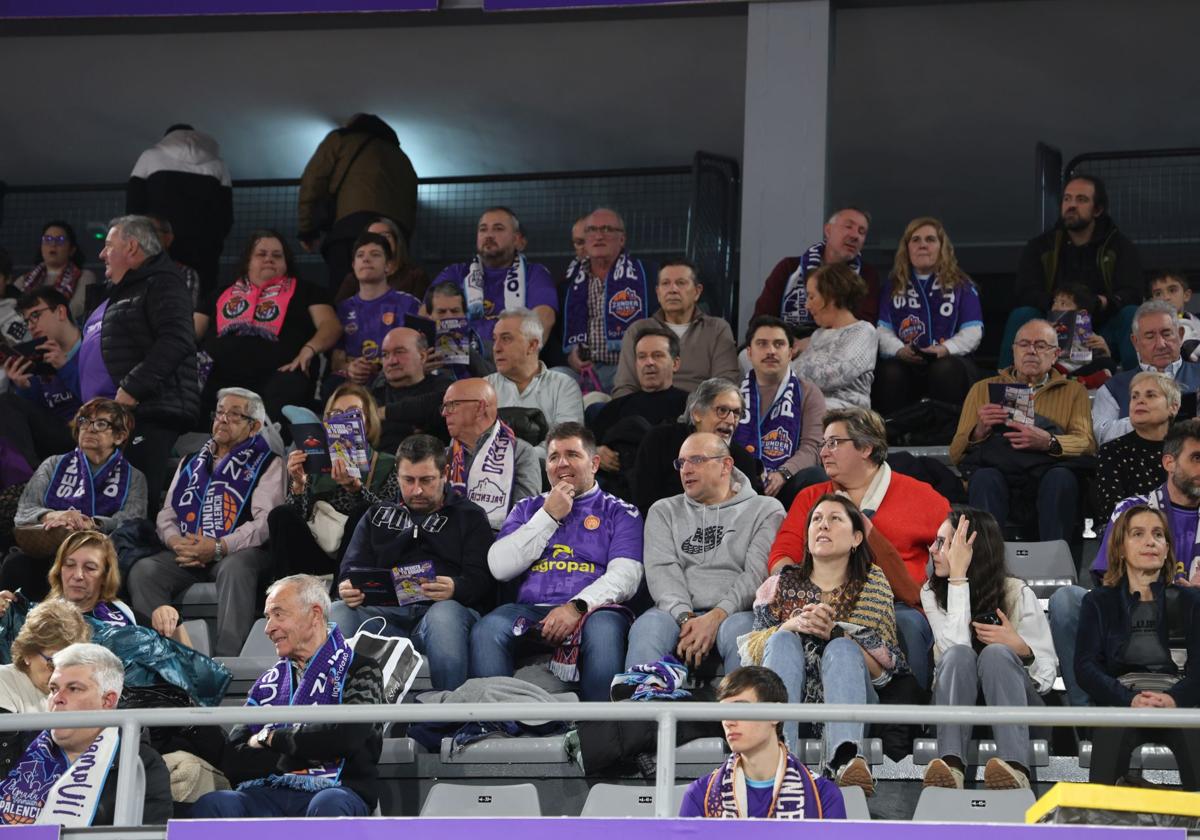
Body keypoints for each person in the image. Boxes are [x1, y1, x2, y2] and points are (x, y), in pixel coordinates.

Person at [770, 407, 947, 689]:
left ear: (866, 447)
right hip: (819, 601)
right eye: (823, 444)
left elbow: (953, 554)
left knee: (909, 626)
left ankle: (907, 716)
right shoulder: (810, 497)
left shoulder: (923, 497)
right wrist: (798, 597)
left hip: (896, 606)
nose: (824, 452)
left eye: (834, 443)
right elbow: (783, 555)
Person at [470, 422, 644, 701]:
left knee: (604, 632)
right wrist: (548, 516)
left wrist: (576, 607)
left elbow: (626, 575)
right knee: (487, 630)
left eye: (573, 455)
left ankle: (599, 733)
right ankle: (494, 729)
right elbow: (499, 567)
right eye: (553, 457)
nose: (562, 463)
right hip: (530, 611)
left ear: (595, 463)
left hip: (593, 612)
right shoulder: (527, 509)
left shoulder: (620, 511)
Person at [743, 496, 904, 795]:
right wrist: (793, 625)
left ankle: (846, 760)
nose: (823, 525)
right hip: (792, 698)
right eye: (816, 519)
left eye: (835, 519)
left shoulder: (872, 582)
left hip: (854, 702)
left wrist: (836, 634)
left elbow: (884, 675)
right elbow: (751, 657)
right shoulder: (779, 584)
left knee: (842, 648)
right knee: (780, 639)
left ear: (856, 537)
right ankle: (778, 758)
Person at [191, 575, 385, 818]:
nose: (268, 628)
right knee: (215, 804)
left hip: (337, 789)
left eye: (278, 614)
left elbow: (346, 739)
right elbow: (233, 760)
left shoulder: (361, 669)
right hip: (267, 792)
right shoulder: (267, 683)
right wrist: (307, 752)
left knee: (329, 805)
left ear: (314, 614)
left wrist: (269, 738)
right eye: (267, 617)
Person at [1052, 418, 1200, 709]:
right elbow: (1109, 580)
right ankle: (1088, 716)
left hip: (1189, 615)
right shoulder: (1133, 508)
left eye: (1158, 535)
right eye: (1196, 458)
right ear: (1169, 462)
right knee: (1067, 600)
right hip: (1129, 610)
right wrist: (1165, 590)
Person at [128, 388, 283, 656]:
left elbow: (265, 523)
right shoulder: (191, 461)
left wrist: (219, 546)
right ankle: (165, 655)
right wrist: (176, 542)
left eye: (234, 415)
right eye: (220, 412)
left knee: (236, 568)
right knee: (144, 571)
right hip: (188, 552)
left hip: (239, 552)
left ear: (254, 426)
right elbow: (168, 513)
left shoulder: (269, 463)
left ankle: (227, 659)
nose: (223, 419)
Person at [331, 435, 493, 691]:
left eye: (426, 480)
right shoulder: (376, 515)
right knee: (339, 610)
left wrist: (456, 587)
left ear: (445, 474)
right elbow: (349, 571)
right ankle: (336, 716)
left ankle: (449, 717)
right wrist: (347, 587)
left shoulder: (470, 516)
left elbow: (483, 579)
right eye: (408, 480)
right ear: (397, 475)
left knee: (444, 615)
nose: (416, 490)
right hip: (385, 614)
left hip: (441, 612)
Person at [920, 507, 1056, 791]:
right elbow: (953, 651)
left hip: (1017, 715)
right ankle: (951, 768)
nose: (932, 549)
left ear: (972, 549)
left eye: (943, 543)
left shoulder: (1016, 592)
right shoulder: (932, 593)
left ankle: (1016, 770)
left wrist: (1021, 650)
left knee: (996, 653)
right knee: (959, 655)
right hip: (954, 714)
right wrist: (958, 579)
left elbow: (1045, 680)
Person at [626, 432, 784, 673]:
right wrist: (686, 618)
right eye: (681, 463)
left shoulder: (765, 509)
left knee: (741, 633)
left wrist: (717, 616)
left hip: (737, 611)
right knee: (647, 628)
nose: (686, 470)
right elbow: (663, 573)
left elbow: (756, 575)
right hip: (677, 612)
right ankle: (642, 707)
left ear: (726, 465)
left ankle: (740, 710)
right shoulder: (664, 511)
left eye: (697, 460)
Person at [1076, 506, 1200, 788]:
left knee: (1196, 731)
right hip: (1123, 700)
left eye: (1158, 535)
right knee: (1111, 732)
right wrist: (1128, 699)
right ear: (1120, 548)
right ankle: (1103, 823)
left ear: (1167, 548)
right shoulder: (1098, 601)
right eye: (1138, 534)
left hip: (1177, 700)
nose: (1150, 542)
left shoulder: (1191, 602)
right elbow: (1085, 667)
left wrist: (1173, 699)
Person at [950, 319, 1095, 541]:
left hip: (1047, 473)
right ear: (1014, 350)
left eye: (1040, 345)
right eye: (1024, 344)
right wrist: (979, 431)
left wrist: (1049, 441)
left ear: (1055, 354)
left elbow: (1087, 444)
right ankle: (986, 565)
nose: (1031, 351)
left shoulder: (1074, 391)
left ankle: (1054, 566)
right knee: (984, 478)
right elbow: (956, 453)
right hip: (1001, 473)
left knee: (1061, 478)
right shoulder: (982, 388)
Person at [93, 215, 201, 511]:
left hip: (154, 411)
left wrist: (132, 389)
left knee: (138, 501)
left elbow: (178, 340)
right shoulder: (132, 286)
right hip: (133, 411)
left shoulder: (163, 283)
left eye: (108, 246)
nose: (102, 254)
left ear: (131, 247)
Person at [0, 642, 171, 826]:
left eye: (74, 689)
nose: (57, 698)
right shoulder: (15, 744)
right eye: (53, 689)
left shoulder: (141, 764)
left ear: (107, 701)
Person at [195, 229, 341, 429]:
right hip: (219, 374)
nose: (269, 259)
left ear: (286, 262)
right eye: (261, 254)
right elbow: (189, 331)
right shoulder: (220, 293)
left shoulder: (308, 291)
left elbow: (330, 326)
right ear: (247, 261)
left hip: (280, 373)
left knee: (289, 385)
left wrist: (310, 349)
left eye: (277, 255)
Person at [4, 399, 147, 600]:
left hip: (100, 551)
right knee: (16, 564)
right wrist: (54, 515)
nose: (89, 429)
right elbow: (24, 512)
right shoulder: (53, 464)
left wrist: (93, 523)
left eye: (100, 424)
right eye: (84, 421)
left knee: (117, 568)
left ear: (119, 436)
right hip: (51, 547)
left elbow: (133, 520)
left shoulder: (135, 477)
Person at [1004, 174, 1142, 369]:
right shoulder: (1042, 246)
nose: (1071, 205)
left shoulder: (1119, 246)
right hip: (1051, 326)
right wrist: (1057, 306)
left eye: (1081, 199)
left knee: (1132, 314)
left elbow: (1132, 293)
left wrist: (1101, 303)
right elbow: (1025, 291)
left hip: (1102, 327)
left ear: (1098, 209)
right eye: (1067, 199)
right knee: (1022, 314)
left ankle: (1135, 383)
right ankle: (1006, 383)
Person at [678, 666, 846, 819]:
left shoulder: (824, 795)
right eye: (723, 711)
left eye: (740, 708)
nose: (728, 721)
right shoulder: (699, 795)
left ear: (775, 713)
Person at [269, 384, 398, 578]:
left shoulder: (389, 464)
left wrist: (356, 489)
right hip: (318, 547)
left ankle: (342, 589)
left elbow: (388, 522)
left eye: (353, 413)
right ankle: (285, 592)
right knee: (281, 514)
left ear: (368, 422)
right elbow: (298, 518)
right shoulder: (315, 459)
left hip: (359, 554)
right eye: (336, 414)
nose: (344, 420)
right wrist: (298, 484)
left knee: (362, 512)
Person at [873, 217, 982, 417]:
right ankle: (897, 435)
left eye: (930, 239)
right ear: (907, 248)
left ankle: (947, 434)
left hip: (951, 361)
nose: (922, 244)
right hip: (906, 362)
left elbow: (973, 331)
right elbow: (882, 330)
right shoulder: (892, 286)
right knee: (890, 372)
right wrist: (899, 350)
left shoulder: (962, 285)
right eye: (915, 240)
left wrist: (943, 349)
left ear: (942, 248)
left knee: (944, 369)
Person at [298, 113, 418, 288]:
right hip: (395, 236)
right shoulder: (403, 159)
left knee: (344, 296)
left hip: (350, 229)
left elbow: (313, 181)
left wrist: (307, 229)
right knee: (392, 296)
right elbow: (411, 206)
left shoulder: (342, 139)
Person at [126, 124, 233, 296]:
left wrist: (140, 239)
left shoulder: (150, 157)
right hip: (203, 249)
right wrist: (213, 241)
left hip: (157, 244)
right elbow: (225, 217)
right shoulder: (218, 165)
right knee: (201, 298)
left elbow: (133, 208)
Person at [633, 378, 765, 516]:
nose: (731, 420)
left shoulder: (743, 459)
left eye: (736, 413)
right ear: (697, 413)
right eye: (722, 410)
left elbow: (751, 514)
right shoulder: (660, 441)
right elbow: (645, 505)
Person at [432, 207, 557, 352]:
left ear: (517, 240)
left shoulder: (535, 274)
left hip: (512, 359)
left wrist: (517, 356)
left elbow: (544, 318)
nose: (489, 235)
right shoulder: (456, 273)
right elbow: (426, 314)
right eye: (483, 229)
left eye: (498, 229)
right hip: (459, 357)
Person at [610, 259, 740, 398]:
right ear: (658, 293)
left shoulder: (716, 329)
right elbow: (625, 387)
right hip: (647, 411)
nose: (673, 290)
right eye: (666, 283)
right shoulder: (638, 330)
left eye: (681, 283)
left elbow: (726, 385)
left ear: (697, 291)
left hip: (698, 411)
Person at [733, 316, 826, 504]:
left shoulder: (808, 392)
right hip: (737, 482)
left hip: (785, 483)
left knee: (815, 477)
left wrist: (784, 473)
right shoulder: (730, 393)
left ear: (791, 353)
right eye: (762, 344)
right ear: (749, 353)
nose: (771, 351)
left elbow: (813, 448)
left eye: (779, 344)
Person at [753, 207, 880, 341]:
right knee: (746, 356)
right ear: (828, 230)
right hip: (783, 344)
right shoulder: (789, 267)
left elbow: (864, 328)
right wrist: (786, 343)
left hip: (837, 345)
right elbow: (761, 319)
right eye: (848, 227)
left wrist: (812, 342)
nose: (855, 236)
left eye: (862, 232)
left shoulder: (867, 275)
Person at [591, 328, 689, 500]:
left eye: (657, 355)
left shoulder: (690, 405)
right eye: (642, 356)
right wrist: (597, 452)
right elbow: (585, 447)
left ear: (675, 363)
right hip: (617, 491)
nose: (648, 362)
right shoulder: (615, 407)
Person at [561, 208, 652, 392]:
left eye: (607, 229)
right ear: (584, 240)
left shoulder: (647, 275)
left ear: (622, 239)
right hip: (581, 370)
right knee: (555, 377)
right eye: (592, 230)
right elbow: (556, 335)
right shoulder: (568, 283)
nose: (599, 236)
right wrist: (569, 357)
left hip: (627, 367)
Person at [1093, 300, 1200, 446]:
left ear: (1180, 335)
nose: (1161, 344)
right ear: (1135, 342)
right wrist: (1145, 418)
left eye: (1167, 334)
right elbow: (1101, 436)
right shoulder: (1112, 389)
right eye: (1150, 336)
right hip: (1134, 466)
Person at [442, 378, 541, 530]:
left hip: (498, 541)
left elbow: (525, 515)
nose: (444, 413)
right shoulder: (444, 455)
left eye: (452, 405)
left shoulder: (520, 453)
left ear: (480, 407)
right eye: (444, 406)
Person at [486, 308, 584, 458]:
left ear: (532, 345)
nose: (496, 348)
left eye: (506, 339)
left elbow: (566, 442)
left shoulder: (563, 386)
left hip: (547, 476)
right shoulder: (484, 388)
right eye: (495, 339)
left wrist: (514, 457)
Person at [0, 288, 83, 466]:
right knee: (6, 402)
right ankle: (28, 479)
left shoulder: (93, 343)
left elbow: (102, 399)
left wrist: (65, 367)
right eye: (27, 320)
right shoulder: (38, 353)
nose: (30, 326)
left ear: (61, 312)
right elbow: (36, 418)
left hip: (89, 430)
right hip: (57, 436)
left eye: (36, 315)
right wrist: (24, 388)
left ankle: (29, 479)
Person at [330, 232, 421, 386]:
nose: (366, 259)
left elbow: (421, 353)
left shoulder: (409, 304)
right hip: (353, 383)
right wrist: (350, 368)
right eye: (360, 255)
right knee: (331, 386)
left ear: (389, 266)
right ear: (353, 265)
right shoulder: (343, 309)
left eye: (375, 254)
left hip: (394, 381)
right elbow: (336, 361)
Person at [1094, 371, 1178, 522]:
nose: (1140, 401)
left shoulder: (1187, 449)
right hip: (1129, 532)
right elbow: (1113, 512)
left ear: (1173, 407)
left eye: (1150, 395)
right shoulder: (1112, 451)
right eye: (1134, 396)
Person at [793, 262, 879, 409]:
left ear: (831, 296)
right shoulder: (818, 334)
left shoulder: (863, 331)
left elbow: (834, 374)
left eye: (812, 297)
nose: (807, 305)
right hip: (808, 408)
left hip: (845, 415)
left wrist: (779, 369)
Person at [0, 600, 91, 717]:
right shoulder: (3, 681)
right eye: (53, 662)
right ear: (28, 653)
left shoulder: (72, 694)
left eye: (69, 664)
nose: (59, 674)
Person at [371, 326, 449, 451]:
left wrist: (382, 413)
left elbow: (441, 403)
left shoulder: (443, 387)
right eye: (385, 355)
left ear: (422, 356)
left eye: (399, 352)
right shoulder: (372, 396)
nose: (392, 361)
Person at [13, 221, 96, 322]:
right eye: (47, 239)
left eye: (60, 240)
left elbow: (77, 308)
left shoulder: (85, 276)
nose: (53, 244)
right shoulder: (23, 280)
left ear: (72, 249)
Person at [332, 216, 429, 303]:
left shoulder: (415, 275)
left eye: (385, 236)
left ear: (396, 240)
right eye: (372, 236)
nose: (378, 241)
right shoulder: (354, 278)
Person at [1149, 270, 1200, 360]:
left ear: (1186, 295)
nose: (1165, 297)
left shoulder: (1197, 321)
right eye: (1158, 294)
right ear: (1153, 301)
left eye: (1172, 290)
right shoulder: (1147, 330)